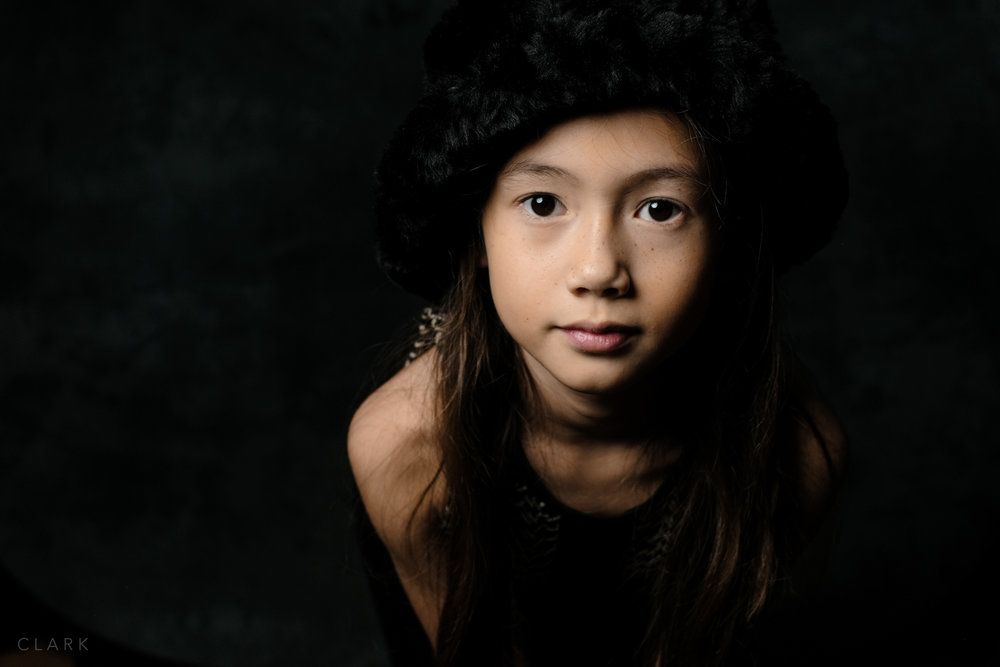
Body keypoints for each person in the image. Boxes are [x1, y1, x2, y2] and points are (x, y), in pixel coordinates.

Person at [347, 1, 849, 665]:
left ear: (726, 246)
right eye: (543, 203)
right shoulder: (406, 448)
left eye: (660, 210)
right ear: (475, 235)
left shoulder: (795, 452)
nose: (598, 271)